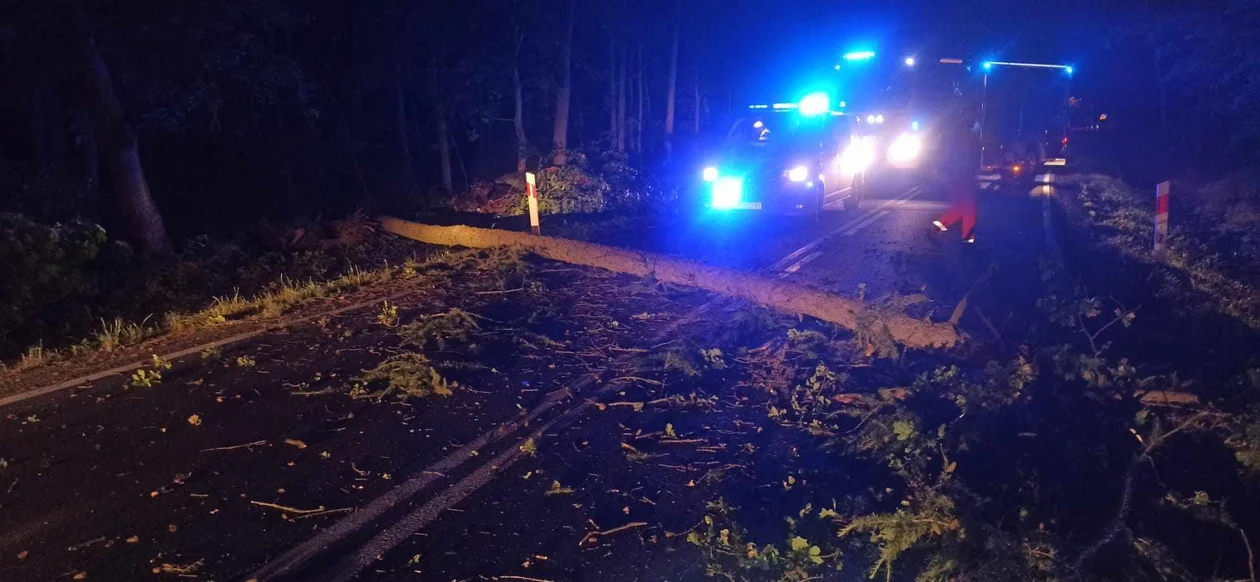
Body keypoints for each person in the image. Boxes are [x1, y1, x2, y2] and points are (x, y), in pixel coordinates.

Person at [933, 113, 979, 243]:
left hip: (953, 175)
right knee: (969, 206)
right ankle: (967, 237)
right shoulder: (966, 136)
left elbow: (941, 156)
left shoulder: (948, 135)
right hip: (963, 175)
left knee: (961, 206)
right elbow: (970, 156)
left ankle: (940, 227)